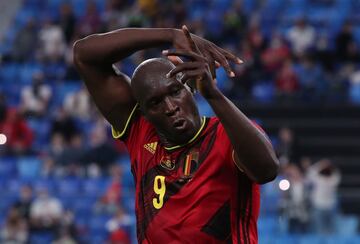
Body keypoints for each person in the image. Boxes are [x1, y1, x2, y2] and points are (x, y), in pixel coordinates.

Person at [74, 26, 279, 243]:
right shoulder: (140, 132)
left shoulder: (228, 133)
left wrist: (213, 95)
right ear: (143, 112)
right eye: (155, 103)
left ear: (190, 88)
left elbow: (266, 171)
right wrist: (171, 35)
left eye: (175, 91)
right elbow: (84, 55)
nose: (171, 107)